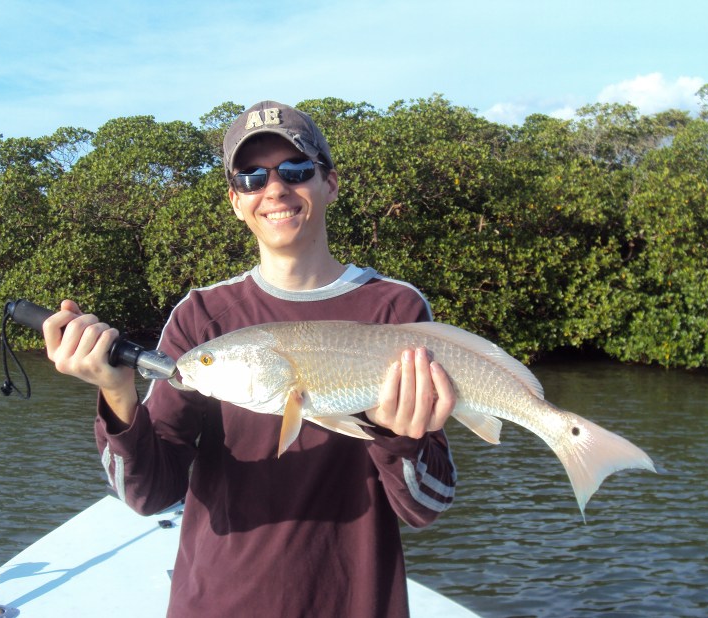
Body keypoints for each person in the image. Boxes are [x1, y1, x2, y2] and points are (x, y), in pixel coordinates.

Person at [43, 100, 458, 618]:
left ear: (330, 183)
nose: (275, 189)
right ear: (236, 201)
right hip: (218, 601)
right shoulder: (202, 318)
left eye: (296, 169)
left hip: (355, 602)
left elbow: (427, 504)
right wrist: (118, 394)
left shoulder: (395, 309)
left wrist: (400, 437)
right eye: (251, 177)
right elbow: (148, 495)